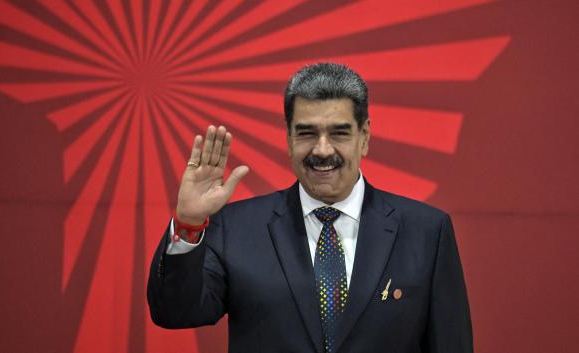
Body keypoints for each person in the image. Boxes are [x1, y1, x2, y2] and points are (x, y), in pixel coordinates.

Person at [147, 63, 472, 353]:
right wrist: (189, 222)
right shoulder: (235, 227)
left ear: (365, 137)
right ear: (288, 138)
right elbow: (175, 313)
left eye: (339, 133)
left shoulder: (426, 232)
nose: (322, 149)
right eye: (306, 133)